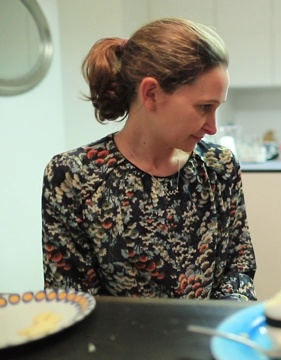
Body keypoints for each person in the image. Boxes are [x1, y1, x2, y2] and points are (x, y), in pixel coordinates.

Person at [41, 18, 257, 300]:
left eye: (217, 108)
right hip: (118, 343)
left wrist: (216, 330)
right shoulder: (74, 176)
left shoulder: (219, 167)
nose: (212, 127)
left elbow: (238, 268)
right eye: (204, 107)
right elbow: (70, 301)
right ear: (151, 94)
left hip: (210, 340)